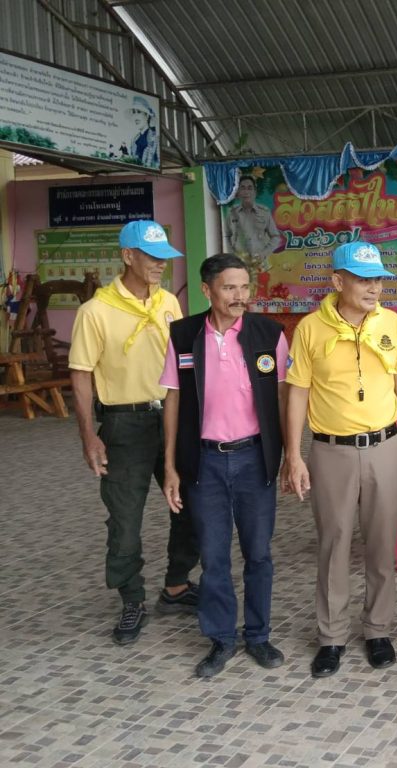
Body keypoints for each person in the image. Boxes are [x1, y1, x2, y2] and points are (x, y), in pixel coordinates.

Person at [284, 241, 397, 678]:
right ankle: (331, 637)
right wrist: (294, 454)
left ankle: (378, 630)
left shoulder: (391, 323)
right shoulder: (310, 328)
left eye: (378, 279)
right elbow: (297, 393)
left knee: (381, 543)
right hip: (331, 451)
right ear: (338, 281)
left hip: (385, 447)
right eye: (363, 280)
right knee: (334, 544)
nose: (374, 287)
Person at [68, 220, 199, 645]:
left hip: (172, 418)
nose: (161, 264)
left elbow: (182, 365)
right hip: (124, 424)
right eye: (152, 257)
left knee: (192, 506)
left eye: (165, 257)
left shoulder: (168, 303)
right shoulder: (95, 311)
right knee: (125, 521)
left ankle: (176, 585)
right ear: (128, 256)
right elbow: (81, 375)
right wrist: (89, 436)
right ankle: (131, 598)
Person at [160, 254, 289, 678]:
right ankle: (221, 638)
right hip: (205, 463)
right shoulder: (183, 336)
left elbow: (285, 398)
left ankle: (258, 635)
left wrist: (291, 456)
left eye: (244, 287)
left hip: (254, 459)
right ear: (207, 290)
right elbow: (173, 399)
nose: (239, 296)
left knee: (258, 553)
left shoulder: (269, 334)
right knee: (214, 556)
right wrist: (171, 466)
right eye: (229, 287)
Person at [225, 175, 282, 276]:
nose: (246, 192)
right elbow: (226, 236)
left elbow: (276, 237)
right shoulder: (232, 213)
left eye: (249, 188)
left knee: (262, 285)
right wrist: (233, 255)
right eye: (242, 188)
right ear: (238, 192)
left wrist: (264, 253)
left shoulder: (264, 212)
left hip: (260, 266)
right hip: (239, 266)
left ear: (255, 192)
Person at [124, 96, 158, 167]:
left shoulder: (154, 138)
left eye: (139, 112)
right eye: (134, 112)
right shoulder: (134, 140)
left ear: (147, 115)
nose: (135, 116)